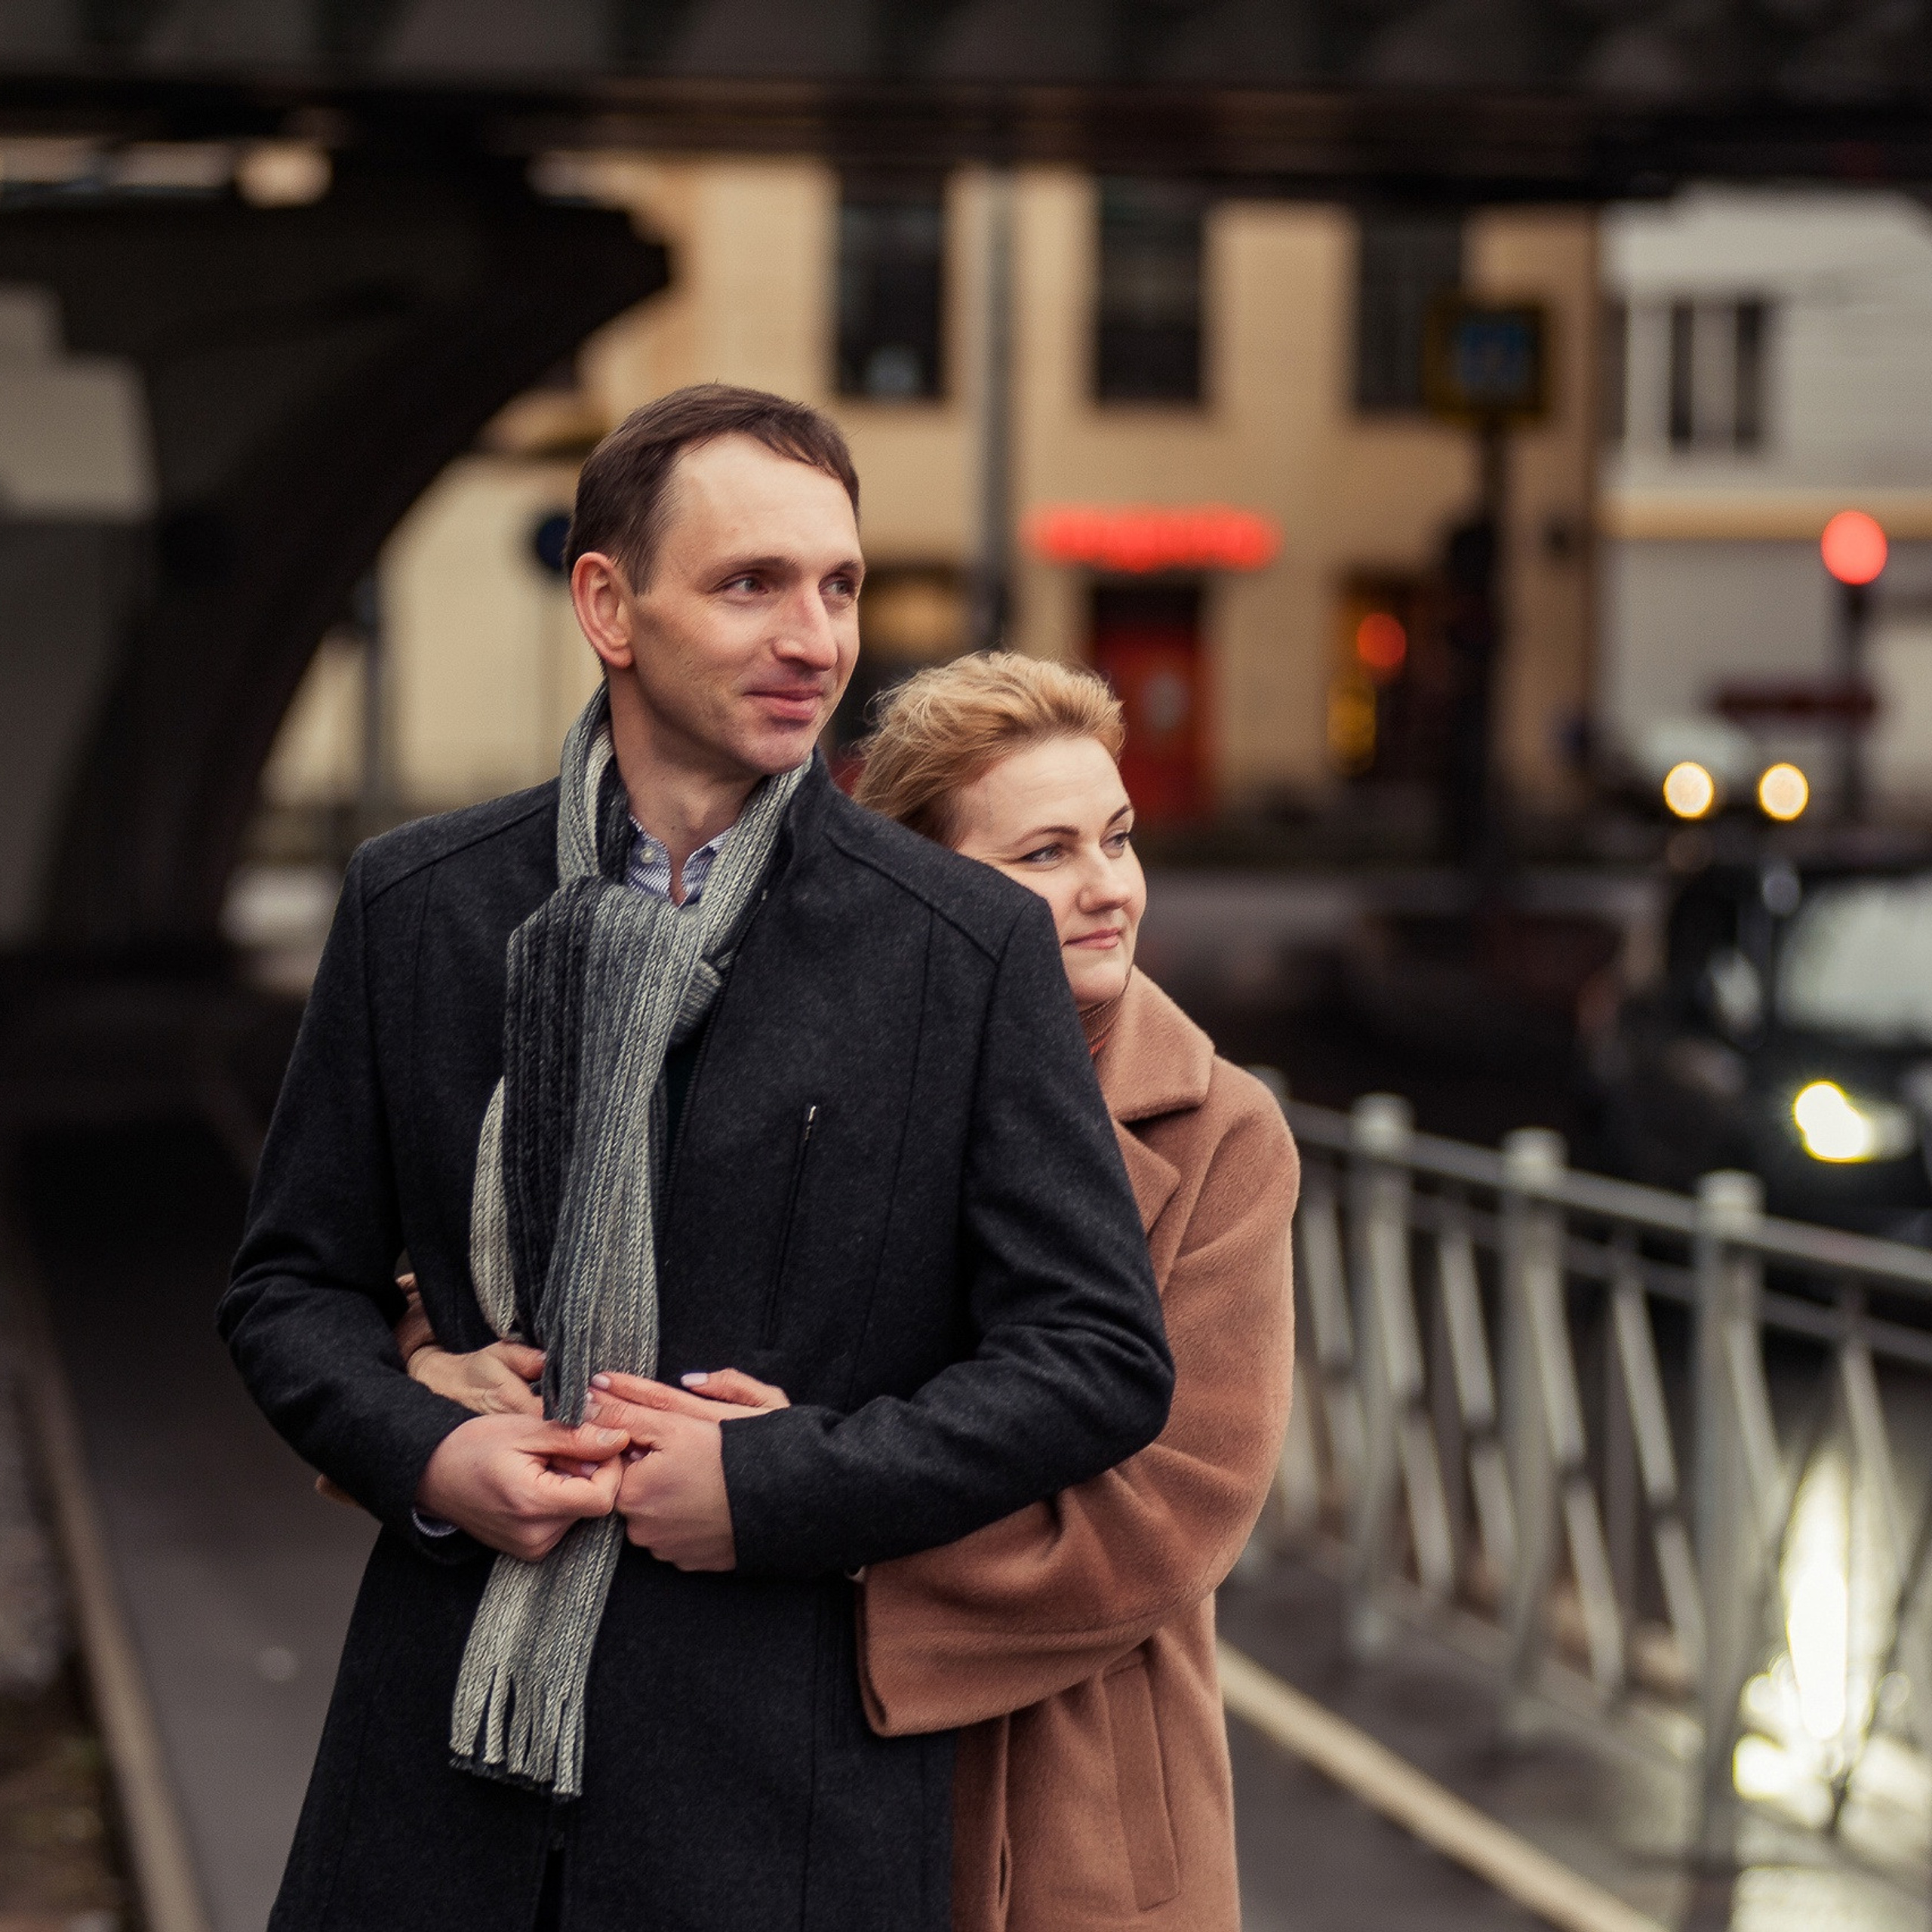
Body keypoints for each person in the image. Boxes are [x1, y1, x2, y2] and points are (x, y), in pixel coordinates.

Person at [219, 387, 1174, 1932]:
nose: (815, 636)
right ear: (608, 602)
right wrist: (427, 1449)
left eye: (839, 585)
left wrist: (775, 1479)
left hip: (773, 1802)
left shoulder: (956, 945)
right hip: (427, 1793)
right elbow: (288, 1288)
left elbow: (1095, 1355)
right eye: (751, 584)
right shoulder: (421, 906)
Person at [408, 653, 1299, 1929]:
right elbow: (521, 1238)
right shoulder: (814, 1056)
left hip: (1066, 1788)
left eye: (1117, 837)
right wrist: (426, 1367)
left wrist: (806, 1515)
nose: (1108, 889)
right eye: (1044, 855)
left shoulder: (1218, 1133)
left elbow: (1167, 1513)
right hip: (768, 1758)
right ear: (925, 891)